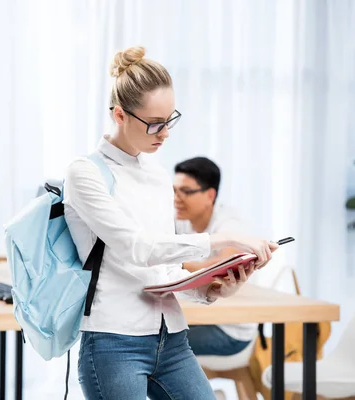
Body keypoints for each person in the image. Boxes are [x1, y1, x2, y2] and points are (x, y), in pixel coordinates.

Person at [63, 46, 278, 400]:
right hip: (114, 343)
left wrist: (210, 290)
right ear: (120, 115)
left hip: (172, 339)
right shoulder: (85, 174)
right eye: (154, 124)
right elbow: (137, 248)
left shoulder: (159, 176)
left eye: (170, 120)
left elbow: (164, 269)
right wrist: (225, 239)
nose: (165, 133)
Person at [174, 156, 258, 357]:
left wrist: (176, 263)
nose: (176, 198)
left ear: (210, 195)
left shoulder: (229, 223)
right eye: (174, 190)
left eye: (186, 191)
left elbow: (225, 264)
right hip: (199, 316)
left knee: (158, 347)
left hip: (229, 329)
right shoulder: (180, 219)